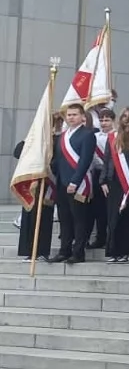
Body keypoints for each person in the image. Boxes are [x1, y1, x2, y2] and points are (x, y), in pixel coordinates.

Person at [50, 103, 96, 264]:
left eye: (74, 114)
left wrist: (75, 182)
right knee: (65, 218)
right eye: (68, 115)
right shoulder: (63, 136)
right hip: (62, 183)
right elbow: (58, 160)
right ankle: (64, 250)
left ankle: (78, 253)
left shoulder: (88, 134)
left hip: (79, 183)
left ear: (82, 116)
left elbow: (85, 161)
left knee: (79, 219)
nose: (71, 117)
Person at [101, 107, 129, 263]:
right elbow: (107, 160)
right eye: (123, 116)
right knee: (113, 217)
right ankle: (114, 251)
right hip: (114, 182)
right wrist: (103, 180)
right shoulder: (113, 137)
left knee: (128, 217)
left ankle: (127, 251)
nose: (126, 119)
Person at [15, 131, 54, 263]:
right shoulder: (32, 140)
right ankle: (29, 251)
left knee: (44, 218)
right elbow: (17, 152)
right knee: (29, 218)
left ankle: (42, 251)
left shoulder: (54, 139)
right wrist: (28, 139)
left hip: (46, 184)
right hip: (30, 184)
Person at [87, 108, 115, 250]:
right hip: (97, 174)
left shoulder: (116, 136)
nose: (104, 123)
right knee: (98, 208)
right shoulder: (95, 136)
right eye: (102, 120)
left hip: (112, 176)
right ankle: (100, 237)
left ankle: (111, 238)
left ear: (113, 121)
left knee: (110, 208)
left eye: (107, 120)